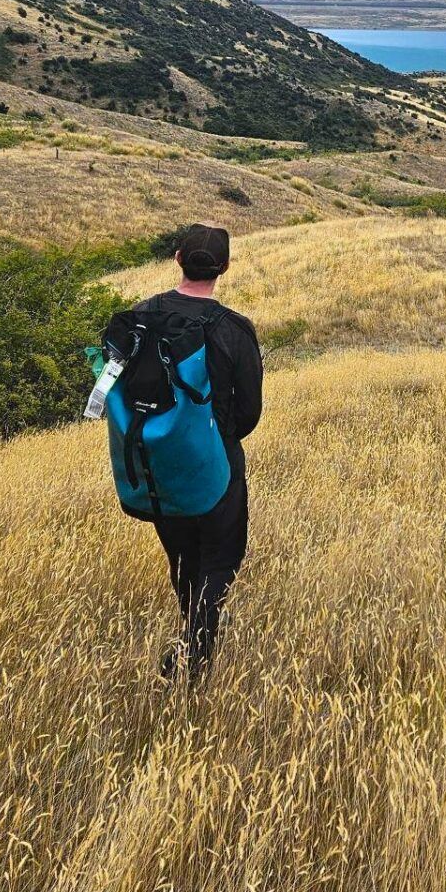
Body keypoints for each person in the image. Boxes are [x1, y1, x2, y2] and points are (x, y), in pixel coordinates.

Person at [131, 223, 262, 682]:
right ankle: (192, 654)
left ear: (177, 257)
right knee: (220, 562)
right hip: (219, 467)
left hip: (160, 469)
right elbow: (249, 413)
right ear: (224, 268)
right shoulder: (235, 330)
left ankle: (192, 637)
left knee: (184, 560)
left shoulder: (140, 315)